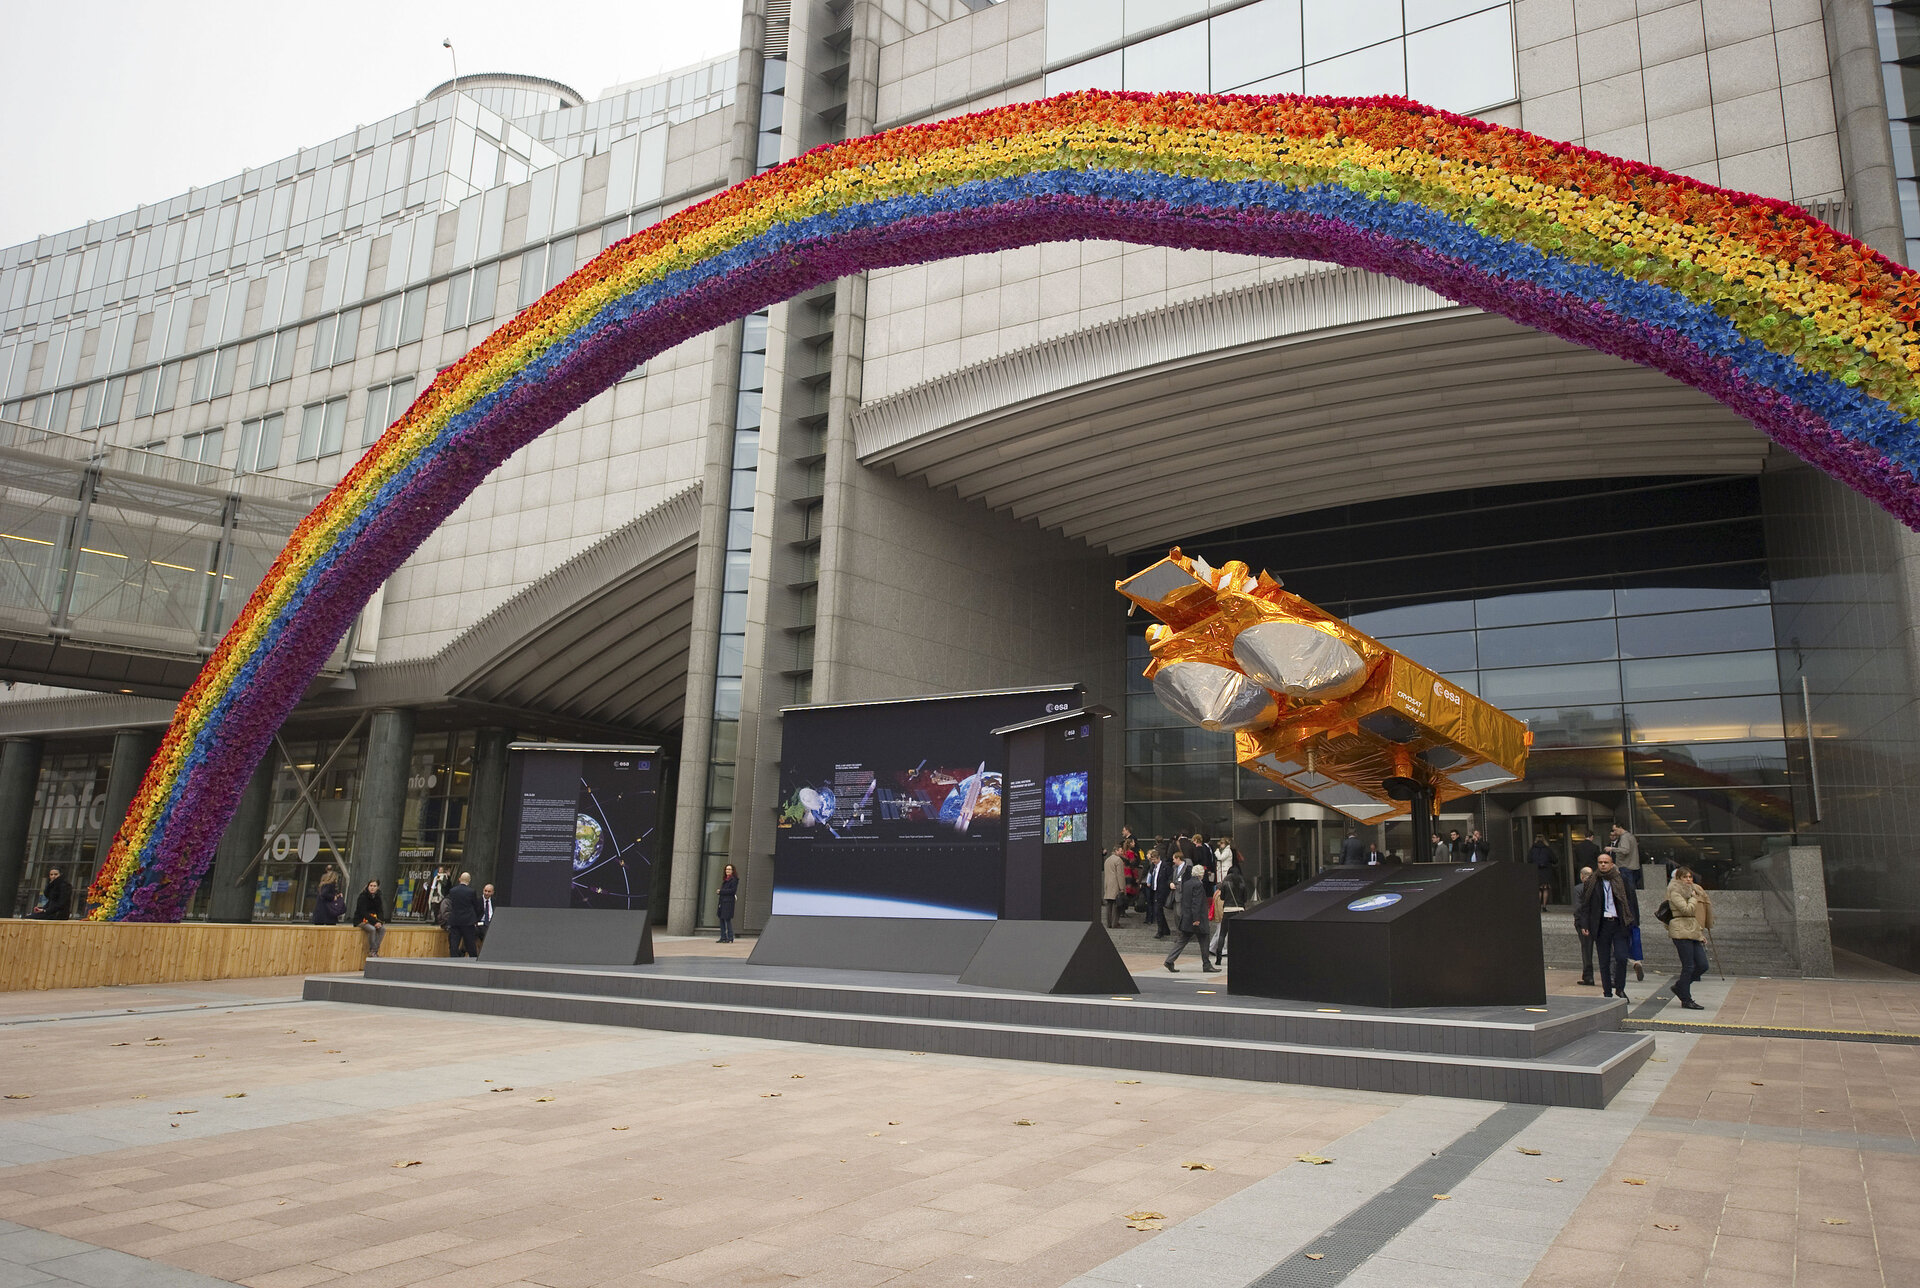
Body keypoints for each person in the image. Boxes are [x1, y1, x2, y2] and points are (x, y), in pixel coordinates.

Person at [1578, 853, 1639, 1001]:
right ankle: (1607, 992)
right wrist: (1584, 924)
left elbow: (1631, 902)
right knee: (1604, 960)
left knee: (1621, 957)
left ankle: (1620, 988)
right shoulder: (1592, 882)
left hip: (1619, 923)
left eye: (1606, 862)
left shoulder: (1621, 880)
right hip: (1601, 924)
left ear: (1612, 864)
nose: (1603, 865)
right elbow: (1586, 905)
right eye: (1600, 862)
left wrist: (1634, 922)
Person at [1663, 866, 1710, 1010]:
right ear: (1678, 878)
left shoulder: (1691, 891)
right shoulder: (1675, 891)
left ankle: (1680, 987)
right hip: (1680, 930)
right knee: (1688, 966)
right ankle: (1686, 998)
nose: (1688, 880)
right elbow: (1686, 910)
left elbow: (1692, 915)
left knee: (1702, 965)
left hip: (1692, 929)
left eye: (1690, 877)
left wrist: (1700, 935)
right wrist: (1693, 899)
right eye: (1685, 877)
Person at [1163, 863, 1218, 973]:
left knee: (1182, 940)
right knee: (1204, 939)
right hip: (1196, 918)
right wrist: (1197, 918)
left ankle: (1169, 960)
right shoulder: (1198, 885)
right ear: (1201, 874)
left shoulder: (1187, 883)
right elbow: (1196, 903)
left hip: (1187, 917)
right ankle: (1206, 964)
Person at [444, 871, 483, 958]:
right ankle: (473, 959)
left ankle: (453, 958)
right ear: (469, 880)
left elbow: (451, 904)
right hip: (468, 921)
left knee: (454, 942)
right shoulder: (471, 892)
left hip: (455, 920)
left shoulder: (452, 891)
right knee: (469, 942)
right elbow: (476, 906)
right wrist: (476, 918)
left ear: (459, 879)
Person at [1571, 865, 1596, 985]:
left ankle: (1588, 976)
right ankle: (1611, 976)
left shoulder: (1578, 889)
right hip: (1596, 922)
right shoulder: (1597, 887)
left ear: (1582, 876)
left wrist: (1580, 922)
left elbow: (1578, 907)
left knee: (1586, 949)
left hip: (1584, 923)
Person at [354, 880, 387, 958]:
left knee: (382, 929)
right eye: (371, 886)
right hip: (361, 920)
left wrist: (380, 922)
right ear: (368, 886)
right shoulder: (362, 897)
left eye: (374, 886)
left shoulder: (378, 897)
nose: (372, 888)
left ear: (377, 887)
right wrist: (374, 922)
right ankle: (373, 951)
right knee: (372, 929)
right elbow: (363, 912)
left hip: (373, 920)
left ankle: (374, 950)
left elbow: (380, 911)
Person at [1147, 847, 1173, 936]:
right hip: (1155, 890)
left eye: (1154, 860)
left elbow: (1170, 877)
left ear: (1158, 858)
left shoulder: (1165, 866)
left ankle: (1160, 931)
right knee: (1159, 911)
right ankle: (1165, 929)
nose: (1153, 862)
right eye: (1152, 860)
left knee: (1158, 910)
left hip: (1162, 891)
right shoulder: (1153, 866)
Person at [1528, 836, 1556, 908]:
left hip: (1536, 871)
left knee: (1538, 889)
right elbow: (1554, 859)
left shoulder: (1532, 850)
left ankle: (1538, 906)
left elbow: (1529, 860)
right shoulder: (1547, 849)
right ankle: (1544, 906)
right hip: (1546, 871)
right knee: (1545, 889)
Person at [1101, 847, 1126, 929]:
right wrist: (1122, 887)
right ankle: (1115, 923)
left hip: (1108, 884)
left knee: (1109, 905)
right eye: (1121, 850)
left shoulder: (1107, 860)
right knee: (1116, 905)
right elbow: (1120, 875)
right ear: (1116, 851)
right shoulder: (1118, 860)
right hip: (1115, 885)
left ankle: (1109, 923)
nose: (1122, 852)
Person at [716, 863, 739, 942]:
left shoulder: (734, 880)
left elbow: (732, 891)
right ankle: (723, 937)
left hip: (728, 902)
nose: (727, 871)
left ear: (732, 871)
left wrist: (721, 891)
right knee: (721, 919)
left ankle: (730, 937)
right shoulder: (725, 879)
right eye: (726, 869)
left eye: (729, 869)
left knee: (727, 919)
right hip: (722, 902)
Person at [477, 883, 495, 953]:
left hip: (491, 923)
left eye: (489, 891)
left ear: (492, 892)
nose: (486, 893)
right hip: (480, 924)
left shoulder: (494, 901)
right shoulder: (478, 901)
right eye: (485, 891)